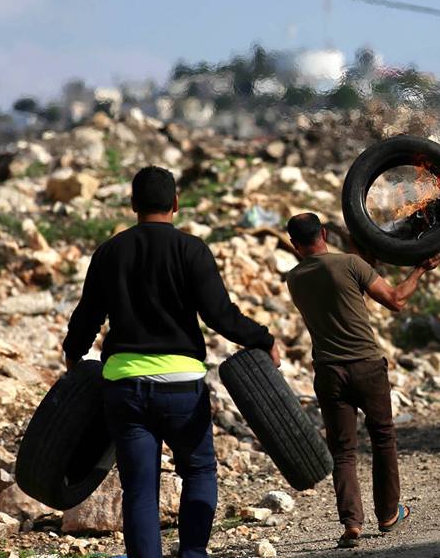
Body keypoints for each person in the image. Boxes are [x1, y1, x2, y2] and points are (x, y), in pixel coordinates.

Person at [62, 166, 278, 558]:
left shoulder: (110, 251)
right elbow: (220, 315)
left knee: (139, 488)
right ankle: (192, 553)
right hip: (181, 385)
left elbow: (87, 316)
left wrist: (73, 355)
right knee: (197, 471)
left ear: (132, 205)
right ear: (176, 203)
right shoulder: (191, 249)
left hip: (124, 387)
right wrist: (263, 340)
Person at [285, 213, 440, 549]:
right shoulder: (350, 264)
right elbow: (396, 299)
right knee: (383, 437)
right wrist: (420, 270)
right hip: (366, 367)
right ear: (324, 233)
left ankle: (351, 523)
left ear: (294, 245)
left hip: (328, 372)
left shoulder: (294, 278)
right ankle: (388, 514)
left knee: (343, 451)